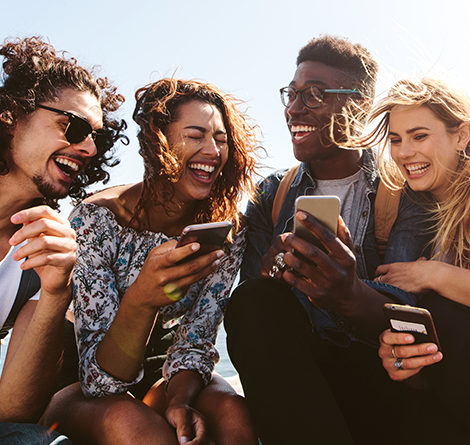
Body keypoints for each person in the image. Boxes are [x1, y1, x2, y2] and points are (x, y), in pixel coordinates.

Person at [223, 35, 449, 445]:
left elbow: (416, 319)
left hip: (387, 380)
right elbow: (254, 308)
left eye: (313, 95)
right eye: (291, 95)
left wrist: (348, 293)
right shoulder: (272, 195)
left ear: (359, 106)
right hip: (303, 382)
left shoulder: (406, 190)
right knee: (253, 301)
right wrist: (274, 272)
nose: (294, 109)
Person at [41, 78, 260, 445]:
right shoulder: (96, 221)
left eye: (221, 139)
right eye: (195, 135)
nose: (212, 150)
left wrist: (178, 401)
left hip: (165, 376)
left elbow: (195, 339)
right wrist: (143, 297)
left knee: (233, 415)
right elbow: (101, 383)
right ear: (158, 141)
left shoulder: (226, 231)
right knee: (137, 426)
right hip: (80, 383)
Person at [0, 36, 126, 444]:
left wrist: (57, 292)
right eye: (72, 126)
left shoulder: (43, 250)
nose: (88, 147)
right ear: (12, 115)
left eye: (98, 138)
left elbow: (12, 414)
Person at [359, 77, 470, 432]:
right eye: (395, 139)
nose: (403, 153)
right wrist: (405, 363)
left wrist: (433, 275)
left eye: (419, 136)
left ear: (462, 135)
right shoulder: (415, 212)